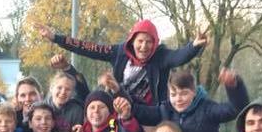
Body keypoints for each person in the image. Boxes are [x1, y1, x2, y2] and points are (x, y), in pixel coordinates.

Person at [38, 19, 207, 107]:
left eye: (149, 42)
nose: (144, 46)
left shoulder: (160, 56)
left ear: (155, 43)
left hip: (151, 114)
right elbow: (88, 48)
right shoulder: (119, 53)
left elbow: (179, 56)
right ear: (132, 41)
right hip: (121, 108)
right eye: (140, 41)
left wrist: (194, 46)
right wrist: (56, 38)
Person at [127, 69, 249, 132]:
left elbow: (235, 109)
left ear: (194, 92)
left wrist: (234, 86)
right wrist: (119, 94)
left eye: (184, 93)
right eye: (173, 94)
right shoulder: (165, 110)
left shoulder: (207, 108)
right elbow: (140, 112)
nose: (178, 99)